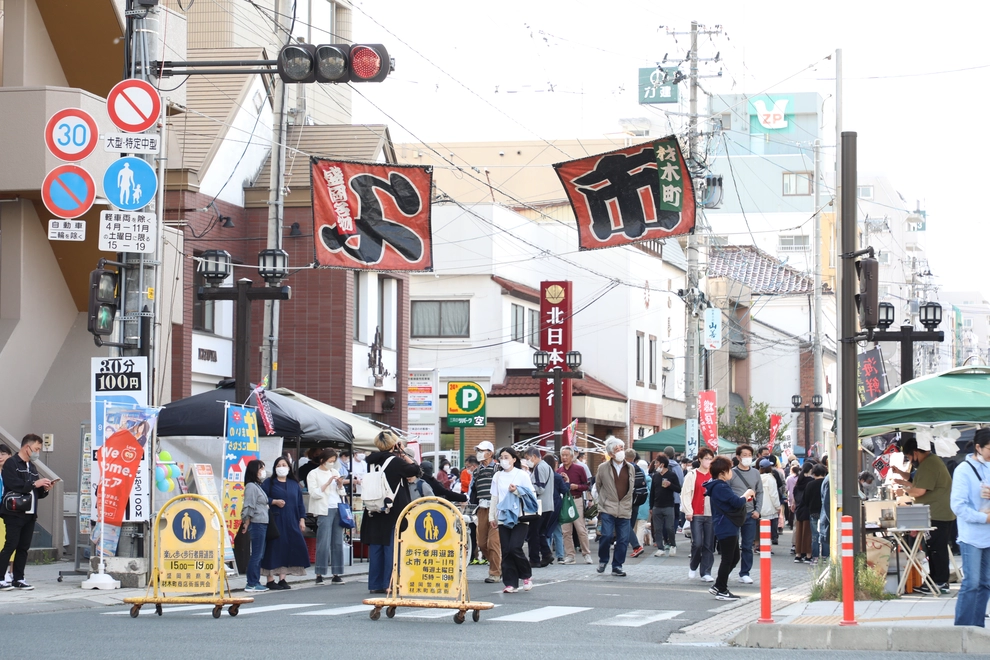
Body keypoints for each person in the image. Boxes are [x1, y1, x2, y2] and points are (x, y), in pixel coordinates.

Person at [893, 436, 955, 594]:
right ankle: (936, 581)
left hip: (937, 513)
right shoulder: (930, 462)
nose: (910, 460)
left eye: (908, 457)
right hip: (937, 512)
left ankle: (940, 581)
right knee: (934, 548)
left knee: (936, 549)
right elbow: (917, 483)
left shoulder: (929, 464)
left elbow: (919, 490)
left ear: (915, 452)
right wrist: (903, 480)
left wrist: (903, 491)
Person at [361, 431, 420, 594]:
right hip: (393, 508)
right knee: (391, 547)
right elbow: (416, 470)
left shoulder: (371, 462)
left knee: (376, 547)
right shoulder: (395, 462)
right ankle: (391, 582)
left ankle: (375, 583)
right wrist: (402, 452)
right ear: (394, 444)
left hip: (374, 507)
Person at [0, 435, 52, 590]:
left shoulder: (33, 467)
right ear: (26, 447)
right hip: (14, 511)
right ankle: (1, 577)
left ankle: (19, 578)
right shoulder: (12, 463)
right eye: (36, 449)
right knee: (11, 544)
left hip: (30, 512)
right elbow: (13, 484)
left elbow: (36, 491)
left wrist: (45, 489)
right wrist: (34, 483)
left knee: (23, 547)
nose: (37, 452)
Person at [950, 428, 990, 626]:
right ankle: (963, 629)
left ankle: (978, 627)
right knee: (972, 583)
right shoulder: (963, 470)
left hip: (989, 536)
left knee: (986, 583)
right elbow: (957, 505)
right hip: (971, 535)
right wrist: (983, 519)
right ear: (978, 447)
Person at [704, 456, 755, 601]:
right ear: (722, 473)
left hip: (726, 525)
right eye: (729, 469)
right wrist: (747, 494)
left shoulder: (716, 485)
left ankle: (719, 585)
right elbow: (736, 502)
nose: (731, 472)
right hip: (726, 525)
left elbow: (731, 502)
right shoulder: (720, 486)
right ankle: (722, 589)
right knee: (727, 559)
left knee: (734, 557)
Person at [261, 456, 311, 589]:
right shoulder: (269, 483)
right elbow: (262, 498)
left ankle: (283, 577)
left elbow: (300, 504)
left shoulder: (294, 484)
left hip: (291, 520)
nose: (281, 468)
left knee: (289, 547)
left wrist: (302, 519)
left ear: (289, 468)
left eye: (284, 465)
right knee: (273, 548)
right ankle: (270, 579)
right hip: (275, 519)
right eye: (278, 465)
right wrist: (274, 502)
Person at [490, 447, 535, 593]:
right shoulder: (497, 476)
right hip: (503, 516)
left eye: (507, 457)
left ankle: (526, 575)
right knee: (506, 550)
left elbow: (531, 494)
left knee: (515, 547)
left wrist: (516, 490)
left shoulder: (522, 474)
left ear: (514, 459)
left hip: (520, 516)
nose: (504, 460)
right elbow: (494, 497)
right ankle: (511, 583)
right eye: (501, 457)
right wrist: (492, 516)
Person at [594, 437, 636, 577]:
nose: (620, 452)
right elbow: (598, 486)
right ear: (611, 453)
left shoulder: (630, 468)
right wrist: (603, 500)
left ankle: (617, 566)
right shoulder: (603, 468)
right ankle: (603, 560)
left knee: (623, 539)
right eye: (617, 450)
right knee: (606, 535)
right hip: (608, 507)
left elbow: (631, 487)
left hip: (624, 507)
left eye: (621, 449)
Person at [306, 448, 347, 586]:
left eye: (334, 461)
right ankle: (319, 573)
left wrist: (340, 484)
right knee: (323, 541)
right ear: (322, 460)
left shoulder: (334, 472)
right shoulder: (313, 474)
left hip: (337, 508)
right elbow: (314, 493)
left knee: (337, 541)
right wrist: (327, 483)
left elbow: (341, 492)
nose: (332, 464)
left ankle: (337, 573)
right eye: (330, 461)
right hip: (323, 509)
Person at [468, 441, 503, 583]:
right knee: (481, 543)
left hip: (496, 508)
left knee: (493, 542)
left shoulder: (498, 469)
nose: (479, 453)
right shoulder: (476, 472)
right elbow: (473, 491)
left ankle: (495, 572)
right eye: (478, 450)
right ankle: (498, 565)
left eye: (482, 450)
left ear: (490, 453)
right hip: (482, 509)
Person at [730, 444, 763, 584]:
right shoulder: (731, 473)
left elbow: (760, 492)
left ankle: (745, 572)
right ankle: (728, 569)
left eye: (749, 455)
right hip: (734, 514)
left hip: (750, 513)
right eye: (744, 455)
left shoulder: (755, 473)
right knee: (732, 544)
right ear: (738, 457)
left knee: (747, 544)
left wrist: (758, 510)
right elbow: (727, 492)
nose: (747, 458)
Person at [681, 447, 715, 581]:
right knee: (697, 543)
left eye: (711, 458)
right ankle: (693, 565)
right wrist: (688, 511)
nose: (708, 461)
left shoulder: (714, 474)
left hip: (711, 513)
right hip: (696, 513)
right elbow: (686, 493)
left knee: (708, 544)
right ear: (700, 459)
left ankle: (706, 571)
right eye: (706, 458)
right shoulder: (692, 474)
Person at [557, 445, 592, 564]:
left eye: (567, 455)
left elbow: (587, 486)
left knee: (580, 528)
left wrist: (576, 486)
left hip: (577, 499)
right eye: (562, 455)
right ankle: (570, 555)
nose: (564, 457)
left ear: (572, 456)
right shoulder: (559, 470)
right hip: (564, 500)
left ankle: (586, 553)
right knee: (566, 530)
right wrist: (565, 484)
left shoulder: (579, 468)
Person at [240, 459, 270, 592]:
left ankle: (255, 581)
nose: (263, 471)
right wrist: (246, 522)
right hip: (257, 523)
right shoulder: (251, 486)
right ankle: (252, 582)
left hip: (262, 522)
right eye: (260, 469)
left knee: (259, 553)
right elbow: (249, 506)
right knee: (256, 554)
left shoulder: (257, 486)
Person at [524, 447, 554, 568]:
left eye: (528, 458)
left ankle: (534, 559)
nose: (527, 461)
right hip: (548, 505)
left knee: (533, 533)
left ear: (534, 456)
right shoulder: (547, 467)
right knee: (540, 532)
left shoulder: (539, 467)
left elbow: (539, 488)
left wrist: (526, 489)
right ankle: (546, 554)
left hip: (540, 505)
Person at [649, 454, 681, 557]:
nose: (655, 465)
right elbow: (652, 492)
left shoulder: (672, 475)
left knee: (669, 527)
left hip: (669, 505)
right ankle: (660, 548)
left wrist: (670, 485)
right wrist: (651, 506)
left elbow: (678, 489)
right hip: (656, 505)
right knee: (657, 529)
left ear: (662, 464)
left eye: (656, 463)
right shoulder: (655, 476)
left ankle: (672, 545)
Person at [543, 454, 567, 563]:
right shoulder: (557, 477)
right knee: (557, 530)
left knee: (546, 530)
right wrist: (567, 482)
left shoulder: (542, 476)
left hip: (545, 505)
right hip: (556, 504)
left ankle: (547, 554)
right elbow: (564, 490)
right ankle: (560, 555)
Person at [625, 449, 648, 558]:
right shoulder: (640, 469)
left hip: (627, 500)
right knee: (629, 524)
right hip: (637, 500)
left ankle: (636, 546)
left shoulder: (626, 468)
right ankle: (627, 545)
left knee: (625, 524)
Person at [793, 462, 815, 563]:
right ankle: (808, 554)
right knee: (807, 533)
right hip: (808, 509)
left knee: (799, 533)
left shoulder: (798, 482)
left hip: (799, 509)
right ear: (810, 470)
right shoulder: (811, 482)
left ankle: (798, 554)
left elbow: (794, 496)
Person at [805, 464, 827, 564]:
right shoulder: (827, 483)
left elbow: (806, 499)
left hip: (813, 512)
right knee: (825, 534)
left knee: (815, 536)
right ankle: (826, 557)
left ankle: (815, 558)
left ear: (814, 473)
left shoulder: (810, 484)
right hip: (825, 512)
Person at [759, 459, 782, 551]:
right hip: (770, 507)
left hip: (760, 507)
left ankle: (760, 547)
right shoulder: (771, 479)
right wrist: (778, 506)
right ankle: (767, 548)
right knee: (769, 529)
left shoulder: (758, 478)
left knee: (761, 528)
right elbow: (774, 494)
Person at [0, 445, 13, 583]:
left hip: (9, 510)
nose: (0, 457)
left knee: (10, 541)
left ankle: (11, 571)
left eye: (3, 453)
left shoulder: (12, 472)